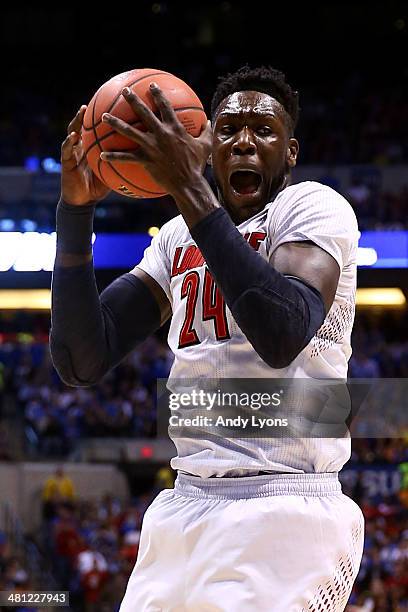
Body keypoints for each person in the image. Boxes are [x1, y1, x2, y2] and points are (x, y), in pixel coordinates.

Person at [51, 66, 364, 611]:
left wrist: (189, 189)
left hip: (284, 507)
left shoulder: (313, 207)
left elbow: (283, 330)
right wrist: (76, 212)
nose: (243, 141)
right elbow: (82, 359)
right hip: (185, 502)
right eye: (228, 129)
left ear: (290, 153)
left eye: (263, 131)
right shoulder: (176, 238)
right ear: (206, 144)